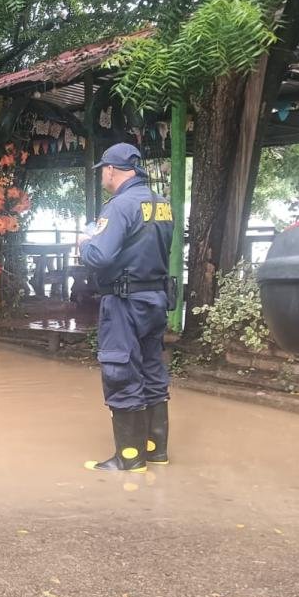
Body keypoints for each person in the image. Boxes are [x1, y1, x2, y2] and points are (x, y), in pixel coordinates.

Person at [78, 143, 174, 472]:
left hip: (124, 301)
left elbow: (101, 256)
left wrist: (85, 245)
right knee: (151, 369)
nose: (103, 175)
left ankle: (129, 458)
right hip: (155, 299)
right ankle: (156, 450)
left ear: (112, 170)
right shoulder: (161, 205)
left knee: (120, 370)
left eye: (104, 169)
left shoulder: (119, 206)